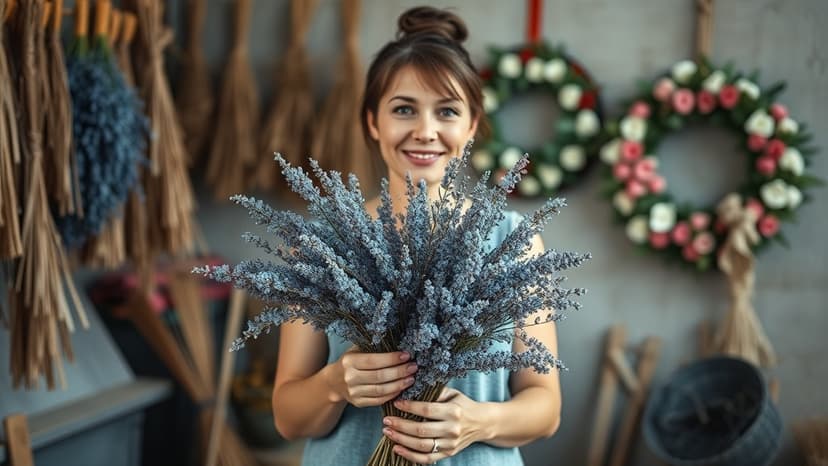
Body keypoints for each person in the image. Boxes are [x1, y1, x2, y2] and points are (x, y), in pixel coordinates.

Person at [272, 6, 561, 465]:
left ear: (471, 125)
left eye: (447, 111)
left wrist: (478, 421)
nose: (425, 132)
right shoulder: (321, 245)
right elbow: (288, 419)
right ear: (373, 121)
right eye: (404, 109)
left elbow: (545, 407)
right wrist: (334, 384)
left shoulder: (512, 241)